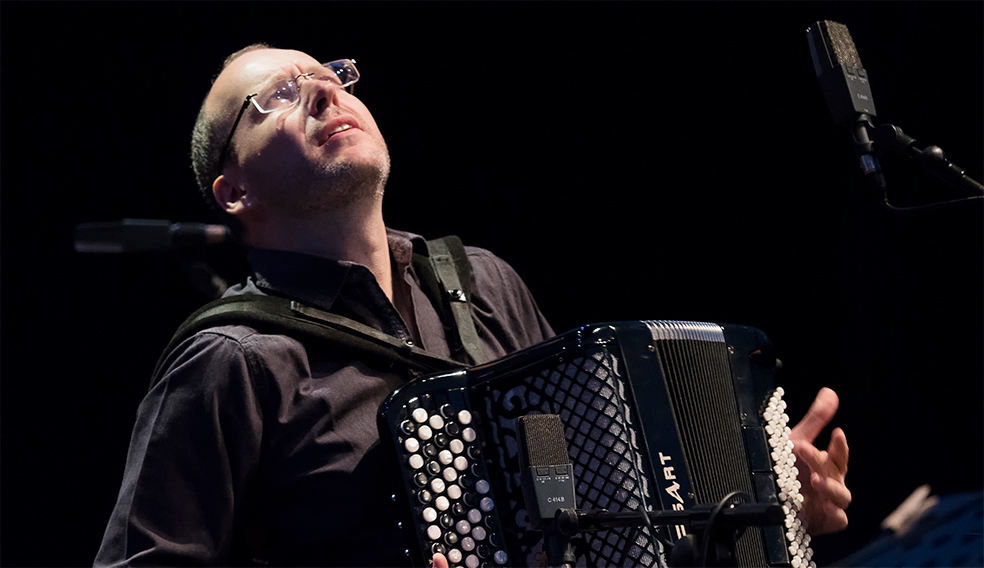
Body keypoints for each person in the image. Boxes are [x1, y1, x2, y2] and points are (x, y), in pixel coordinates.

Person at [94, 45, 850, 567]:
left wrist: (771, 507)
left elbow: (610, 514)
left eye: (330, 74)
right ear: (236, 191)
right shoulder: (231, 361)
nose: (326, 90)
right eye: (277, 99)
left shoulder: (481, 282)